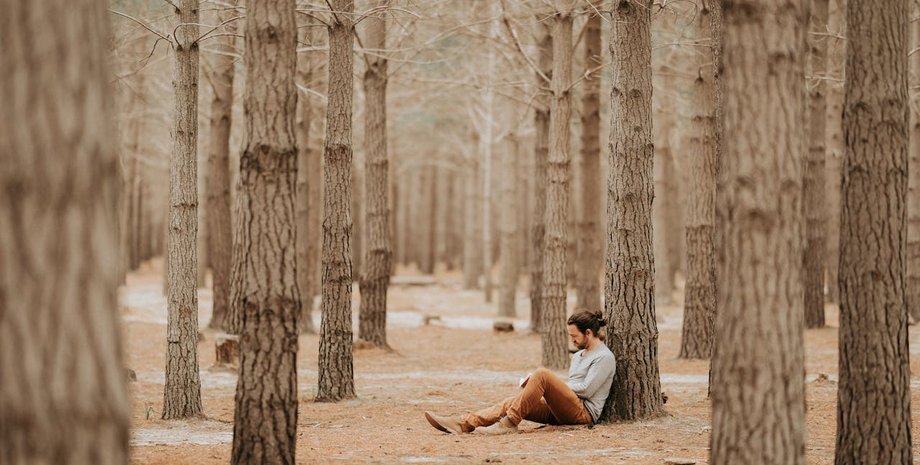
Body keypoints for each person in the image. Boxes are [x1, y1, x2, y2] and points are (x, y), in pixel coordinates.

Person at [424, 311, 617, 435]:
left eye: (575, 336)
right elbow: (568, 390)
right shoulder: (579, 356)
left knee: (542, 374)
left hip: (583, 413)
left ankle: (509, 423)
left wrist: (549, 385)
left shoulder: (604, 357)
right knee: (512, 401)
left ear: (589, 333)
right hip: (562, 410)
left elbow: (586, 390)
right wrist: (538, 388)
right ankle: (463, 423)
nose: (572, 340)